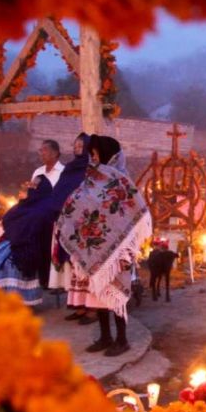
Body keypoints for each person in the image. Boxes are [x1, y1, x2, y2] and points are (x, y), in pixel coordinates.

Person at [57, 134, 152, 357]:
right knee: (97, 293)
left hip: (119, 251)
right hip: (95, 248)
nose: (93, 157)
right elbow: (80, 204)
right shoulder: (91, 178)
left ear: (109, 154)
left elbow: (136, 212)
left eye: (96, 153)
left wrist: (125, 244)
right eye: (91, 154)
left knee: (115, 294)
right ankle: (105, 336)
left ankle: (121, 339)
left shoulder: (121, 181)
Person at [42, 133, 95, 322]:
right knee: (73, 267)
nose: (78, 148)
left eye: (81, 145)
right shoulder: (71, 168)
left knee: (86, 267)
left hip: (86, 225)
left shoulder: (93, 169)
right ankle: (79, 305)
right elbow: (60, 192)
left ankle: (93, 308)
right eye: (76, 145)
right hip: (67, 223)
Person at [0, 176, 53, 306]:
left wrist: (18, 237)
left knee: (10, 264)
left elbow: (38, 231)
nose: (30, 187)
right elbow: (8, 220)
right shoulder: (24, 205)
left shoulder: (45, 208)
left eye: (35, 185)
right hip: (13, 241)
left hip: (30, 245)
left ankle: (18, 302)